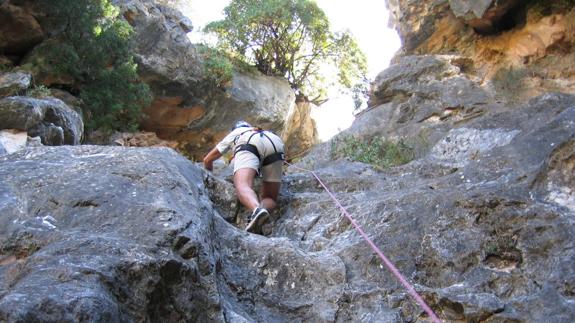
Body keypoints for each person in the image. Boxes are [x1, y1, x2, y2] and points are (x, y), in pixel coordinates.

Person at [203, 121, 285, 234]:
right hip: (275, 142)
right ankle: (262, 212)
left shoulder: (237, 132)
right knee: (270, 197)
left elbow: (208, 159)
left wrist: (208, 175)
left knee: (242, 185)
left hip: (249, 142)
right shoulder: (258, 129)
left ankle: (257, 210)